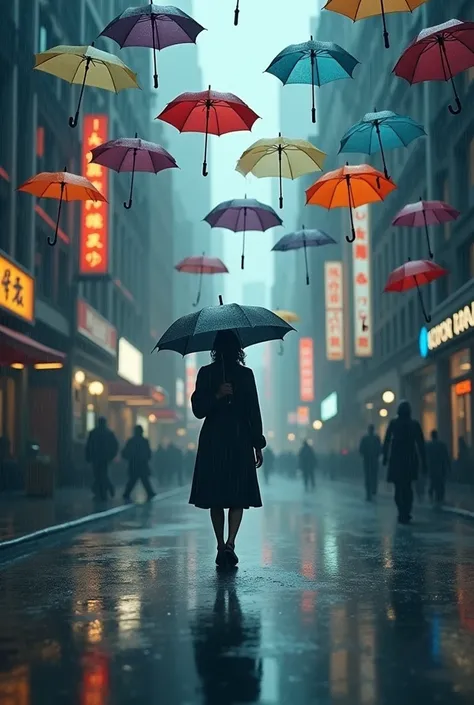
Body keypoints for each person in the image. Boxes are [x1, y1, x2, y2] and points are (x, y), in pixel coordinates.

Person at [189, 330, 265, 568]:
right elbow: (199, 408)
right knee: (228, 495)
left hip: (223, 440)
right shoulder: (209, 374)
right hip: (228, 440)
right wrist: (218, 394)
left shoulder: (243, 375)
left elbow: (252, 408)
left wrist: (257, 442)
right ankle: (225, 544)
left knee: (226, 495)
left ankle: (226, 544)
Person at [382, 400, 427, 524]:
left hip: (397, 460)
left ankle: (402, 511)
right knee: (407, 487)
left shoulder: (393, 423)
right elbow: (421, 444)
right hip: (410, 459)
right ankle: (406, 512)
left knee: (399, 488)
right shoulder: (414, 424)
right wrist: (424, 462)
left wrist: (385, 457)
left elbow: (386, 441)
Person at [85, 417, 119, 501]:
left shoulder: (93, 433)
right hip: (105, 458)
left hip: (96, 457)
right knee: (102, 474)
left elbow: (89, 446)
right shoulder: (109, 433)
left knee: (98, 475)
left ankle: (103, 491)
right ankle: (104, 491)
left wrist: (88, 456)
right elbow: (115, 445)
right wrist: (112, 455)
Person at [122, 425, 156, 502]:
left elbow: (126, 452)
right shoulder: (144, 441)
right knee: (143, 479)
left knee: (134, 479)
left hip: (134, 463)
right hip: (142, 463)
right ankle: (149, 492)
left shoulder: (131, 441)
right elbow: (148, 452)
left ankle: (127, 493)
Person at [426, 430, 450, 507]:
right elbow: (446, 457)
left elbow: (425, 457)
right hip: (441, 467)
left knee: (434, 482)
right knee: (440, 484)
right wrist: (448, 467)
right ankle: (439, 499)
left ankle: (434, 497)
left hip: (432, 467)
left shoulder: (428, 446)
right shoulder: (442, 445)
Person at [359, 424, 382, 501]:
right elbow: (380, 449)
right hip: (373, 460)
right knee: (373, 476)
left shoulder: (365, 439)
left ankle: (370, 492)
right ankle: (372, 490)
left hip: (368, 460)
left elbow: (361, 450)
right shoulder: (376, 438)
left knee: (369, 477)